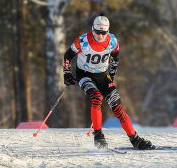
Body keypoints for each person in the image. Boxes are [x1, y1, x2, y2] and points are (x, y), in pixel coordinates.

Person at [62, 16, 153, 150]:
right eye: (97, 32)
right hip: (85, 75)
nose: (99, 35)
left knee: (117, 108)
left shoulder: (113, 41)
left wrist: (111, 74)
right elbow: (67, 56)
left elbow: (115, 57)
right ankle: (98, 136)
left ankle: (135, 139)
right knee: (96, 97)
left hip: (103, 76)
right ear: (92, 30)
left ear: (108, 32)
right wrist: (67, 74)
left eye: (103, 33)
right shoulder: (82, 41)